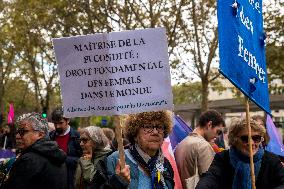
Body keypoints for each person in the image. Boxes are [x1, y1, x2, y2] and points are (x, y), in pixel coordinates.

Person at [91, 110, 175, 189]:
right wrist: (117, 182)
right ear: (135, 134)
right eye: (148, 127)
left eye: (159, 127)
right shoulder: (113, 160)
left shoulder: (165, 164)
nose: (155, 132)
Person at [196, 117, 284, 189]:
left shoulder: (272, 159)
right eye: (245, 138)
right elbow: (211, 177)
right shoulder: (223, 158)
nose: (251, 143)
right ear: (235, 140)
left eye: (256, 138)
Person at [2, 112, 67, 189]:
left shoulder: (29, 160)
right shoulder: (58, 155)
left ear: (40, 134)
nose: (18, 136)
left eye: (23, 132)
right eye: (18, 132)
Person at [174, 109, 225, 188]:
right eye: (218, 132)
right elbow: (210, 181)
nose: (217, 136)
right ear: (209, 125)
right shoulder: (203, 146)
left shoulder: (182, 143)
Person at [50, 107, 82, 189]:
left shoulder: (77, 137)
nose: (57, 126)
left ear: (68, 120)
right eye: (55, 123)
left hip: (70, 180)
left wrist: (62, 158)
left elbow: (82, 161)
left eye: (61, 123)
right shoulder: (50, 137)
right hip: (53, 179)